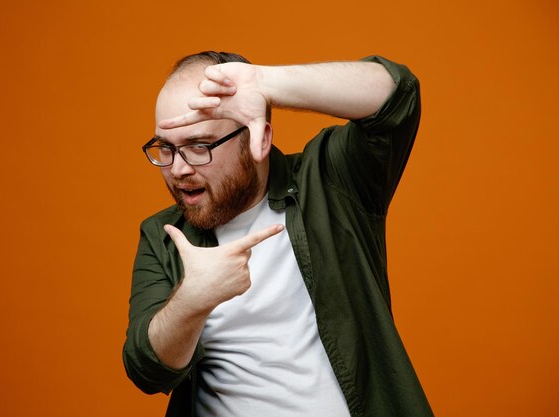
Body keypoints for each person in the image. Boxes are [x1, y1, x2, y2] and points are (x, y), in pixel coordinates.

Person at [123, 51, 434, 417]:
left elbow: (398, 96)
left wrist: (265, 84)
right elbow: (147, 370)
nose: (177, 169)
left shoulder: (331, 183)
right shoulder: (165, 235)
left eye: (199, 146)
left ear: (259, 137)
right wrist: (192, 299)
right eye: (165, 147)